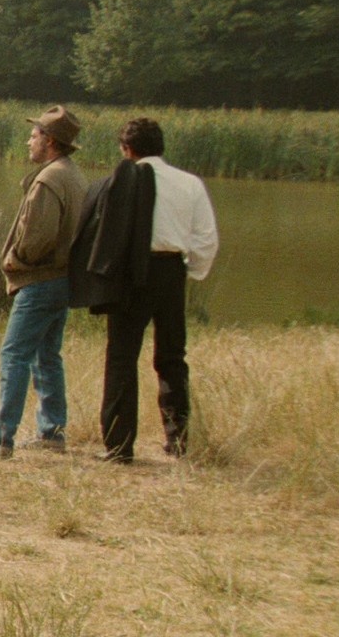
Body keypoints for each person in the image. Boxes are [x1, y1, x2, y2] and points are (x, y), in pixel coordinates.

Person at [82, 118, 219, 464]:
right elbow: (206, 239)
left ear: (127, 150)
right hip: (172, 270)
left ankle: (119, 446)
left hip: (132, 273)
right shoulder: (190, 183)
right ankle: (177, 440)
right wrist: (189, 271)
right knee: (172, 356)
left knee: (122, 357)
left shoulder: (120, 181)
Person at [0, 105, 88, 459]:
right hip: (62, 279)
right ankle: (51, 433)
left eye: (34, 136)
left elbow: (37, 238)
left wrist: (16, 259)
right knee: (47, 356)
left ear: (50, 141)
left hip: (41, 280)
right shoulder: (72, 174)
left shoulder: (49, 180)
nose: (29, 141)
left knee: (14, 354)